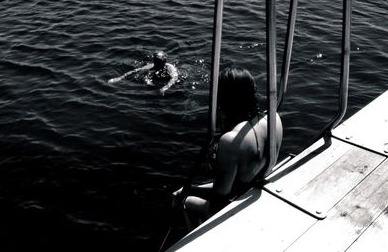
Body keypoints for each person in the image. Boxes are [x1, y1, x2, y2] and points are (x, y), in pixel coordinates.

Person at [172, 66, 283, 230]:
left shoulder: (231, 141)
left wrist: (185, 192)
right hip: (255, 190)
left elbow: (220, 197)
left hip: (234, 205)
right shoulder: (274, 118)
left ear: (225, 99)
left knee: (179, 201)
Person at [108, 51, 179, 95]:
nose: (158, 63)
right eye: (156, 61)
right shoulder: (150, 67)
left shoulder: (170, 67)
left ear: (164, 61)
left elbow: (175, 78)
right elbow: (134, 71)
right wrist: (119, 78)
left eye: (160, 61)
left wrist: (166, 87)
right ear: (154, 61)